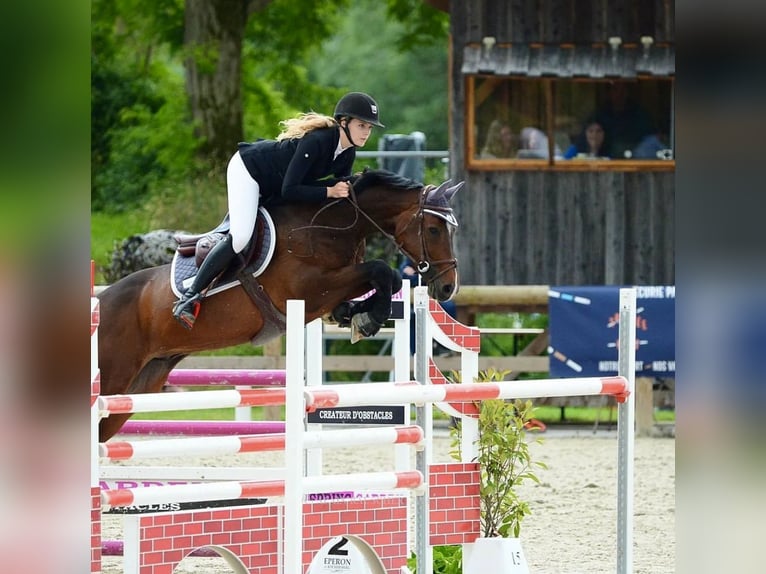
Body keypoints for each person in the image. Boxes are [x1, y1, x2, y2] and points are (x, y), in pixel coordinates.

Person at [172, 92, 385, 329]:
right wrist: (329, 191)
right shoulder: (318, 141)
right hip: (249, 171)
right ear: (343, 123)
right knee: (241, 236)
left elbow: (339, 191)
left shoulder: (347, 152)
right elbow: (291, 189)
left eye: (369, 127)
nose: (366, 131)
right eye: (362, 125)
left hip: (275, 183)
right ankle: (189, 297)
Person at [590, 82, 654, 159]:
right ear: (609, 93)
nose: (620, 94)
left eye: (623, 90)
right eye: (615, 90)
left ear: (627, 92)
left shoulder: (638, 113)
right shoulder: (600, 114)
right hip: (606, 160)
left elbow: (650, 138)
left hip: (635, 160)